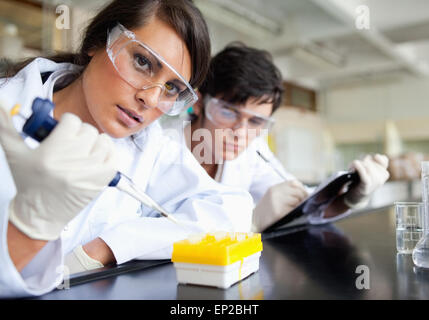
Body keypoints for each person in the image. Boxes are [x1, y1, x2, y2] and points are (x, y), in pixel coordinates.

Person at [0, 0, 254, 297]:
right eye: (143, 62)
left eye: (171, 87)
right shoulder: (8, 104)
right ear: (98, 42)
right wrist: (28, 230)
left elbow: (230, 212)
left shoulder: (149, 144)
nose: (150, 98)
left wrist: (110, 246)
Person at [163, 43, 390, 232]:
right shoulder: (162, 147)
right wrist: (250, 222)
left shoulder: (252, 153)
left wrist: (349, 196)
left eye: (256, 122)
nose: (240, 133)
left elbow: (303, 204)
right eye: (228, 112)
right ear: (199, 102)